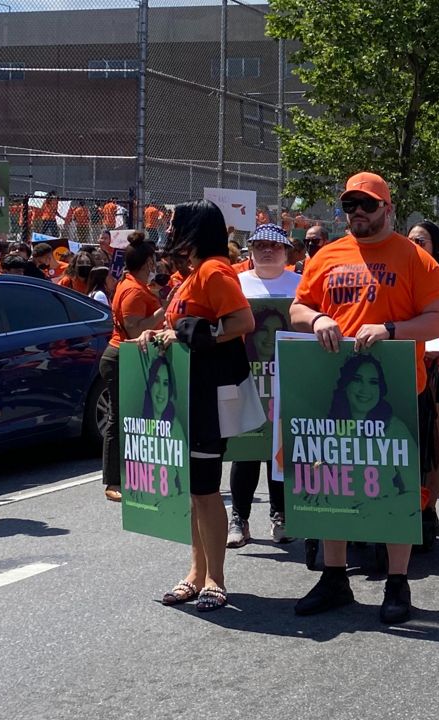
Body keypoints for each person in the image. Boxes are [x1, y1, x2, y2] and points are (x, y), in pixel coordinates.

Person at [289, 171, 439, 625]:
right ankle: (335, 576)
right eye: (349, 205)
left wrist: (392, 330)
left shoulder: (416, 259)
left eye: (367, 204)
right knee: (334, 479)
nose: (357, 212)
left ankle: (398, 583)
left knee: (397, 487)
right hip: (338, 392)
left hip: (400, 390)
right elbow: (298, 307)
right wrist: (317, 318)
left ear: (388, 207)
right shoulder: (327, 256)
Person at [138, 199, 255, 613]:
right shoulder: (191, 276)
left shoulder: (214, 271)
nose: (169, 229)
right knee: (196, 492)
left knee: (205, 490)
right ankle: (195, 572)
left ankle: (214, 579)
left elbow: (242, 323)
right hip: (187, 395)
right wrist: (158, 337)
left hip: (207, 396)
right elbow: (182, 330)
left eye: (175, 222)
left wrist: (191, 335)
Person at [227, 224, 301, 548]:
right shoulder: (236, 283)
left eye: (274, 246)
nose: (267, 251)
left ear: (286, 251)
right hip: (245, 379)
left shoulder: (301, 284)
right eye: (260, 246)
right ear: (250, 251)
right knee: (245, 450)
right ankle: (239, 519)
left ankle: (281, 515)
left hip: (289, 381)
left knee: (279, 452)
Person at [102, 232, 166, 502]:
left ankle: (132, 475)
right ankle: (112, 482)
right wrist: (165, 310)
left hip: (127, 358)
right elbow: (133, 328)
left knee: (131, 420)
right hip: (120, 357)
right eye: (154, 261)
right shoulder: (131, 290)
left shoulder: (134, 286)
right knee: (117, 420)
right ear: (148, 262)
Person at [407, 220, 439, 548]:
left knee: (435, 440)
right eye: (409, 239)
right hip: (407, 368)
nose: (414, 244)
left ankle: (429, 507)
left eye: (421, 240)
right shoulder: (403, 278)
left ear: (436, 247)